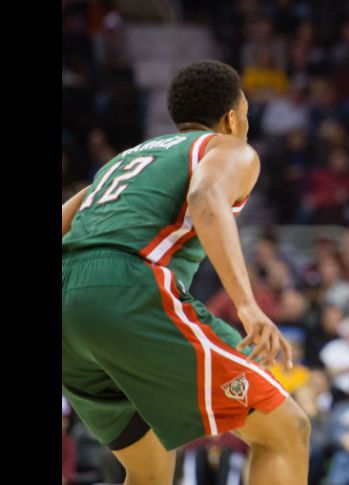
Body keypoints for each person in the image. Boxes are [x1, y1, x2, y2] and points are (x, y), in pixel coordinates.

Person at [62, 60, 310, 485]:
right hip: (129, 287)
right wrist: (247, 306)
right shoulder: (226, 149)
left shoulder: (121, 163)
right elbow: (205, 196)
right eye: (246, 115)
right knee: (287, 430)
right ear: (232, 117)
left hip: (69, 305)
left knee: (150, 467)